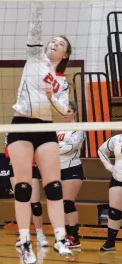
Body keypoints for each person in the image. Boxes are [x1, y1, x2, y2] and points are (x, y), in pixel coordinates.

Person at [7, 0, 72, 264]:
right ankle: (24, 240)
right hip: (21, 125)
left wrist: (50, 96)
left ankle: (60, 237)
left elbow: (67, 115)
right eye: (53, 40)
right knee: (22, 186)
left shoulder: (62, 81)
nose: (54, 43)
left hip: (45, 128)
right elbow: (35, 26)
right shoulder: (34, 57)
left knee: (53, 185)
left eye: (60, 43)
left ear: (65, 54)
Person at [4, 136, 49, 248]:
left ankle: (40, 235)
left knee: (35, 203)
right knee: (21, 202)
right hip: (15, 167)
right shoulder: (10, 132)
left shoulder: (31, 130)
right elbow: (7, 151)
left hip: (30, 166)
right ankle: (24, 236)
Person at [57, 102, 86, 249]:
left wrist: (56, 148)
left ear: (74, 112)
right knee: (61, 204)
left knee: (67, 202)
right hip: (58, 169)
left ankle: (74, 237)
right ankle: (68, 236)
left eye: (68, 111)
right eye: (63, 111)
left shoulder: (78, 128)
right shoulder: (56, 130)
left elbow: (71, 147)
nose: (65, 113)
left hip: (72, 168)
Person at [98, 134, 122, 251]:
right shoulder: (117, 139)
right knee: (114, 211)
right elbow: (101, 150)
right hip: (117, 178)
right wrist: (109, 166)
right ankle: (110, 242)